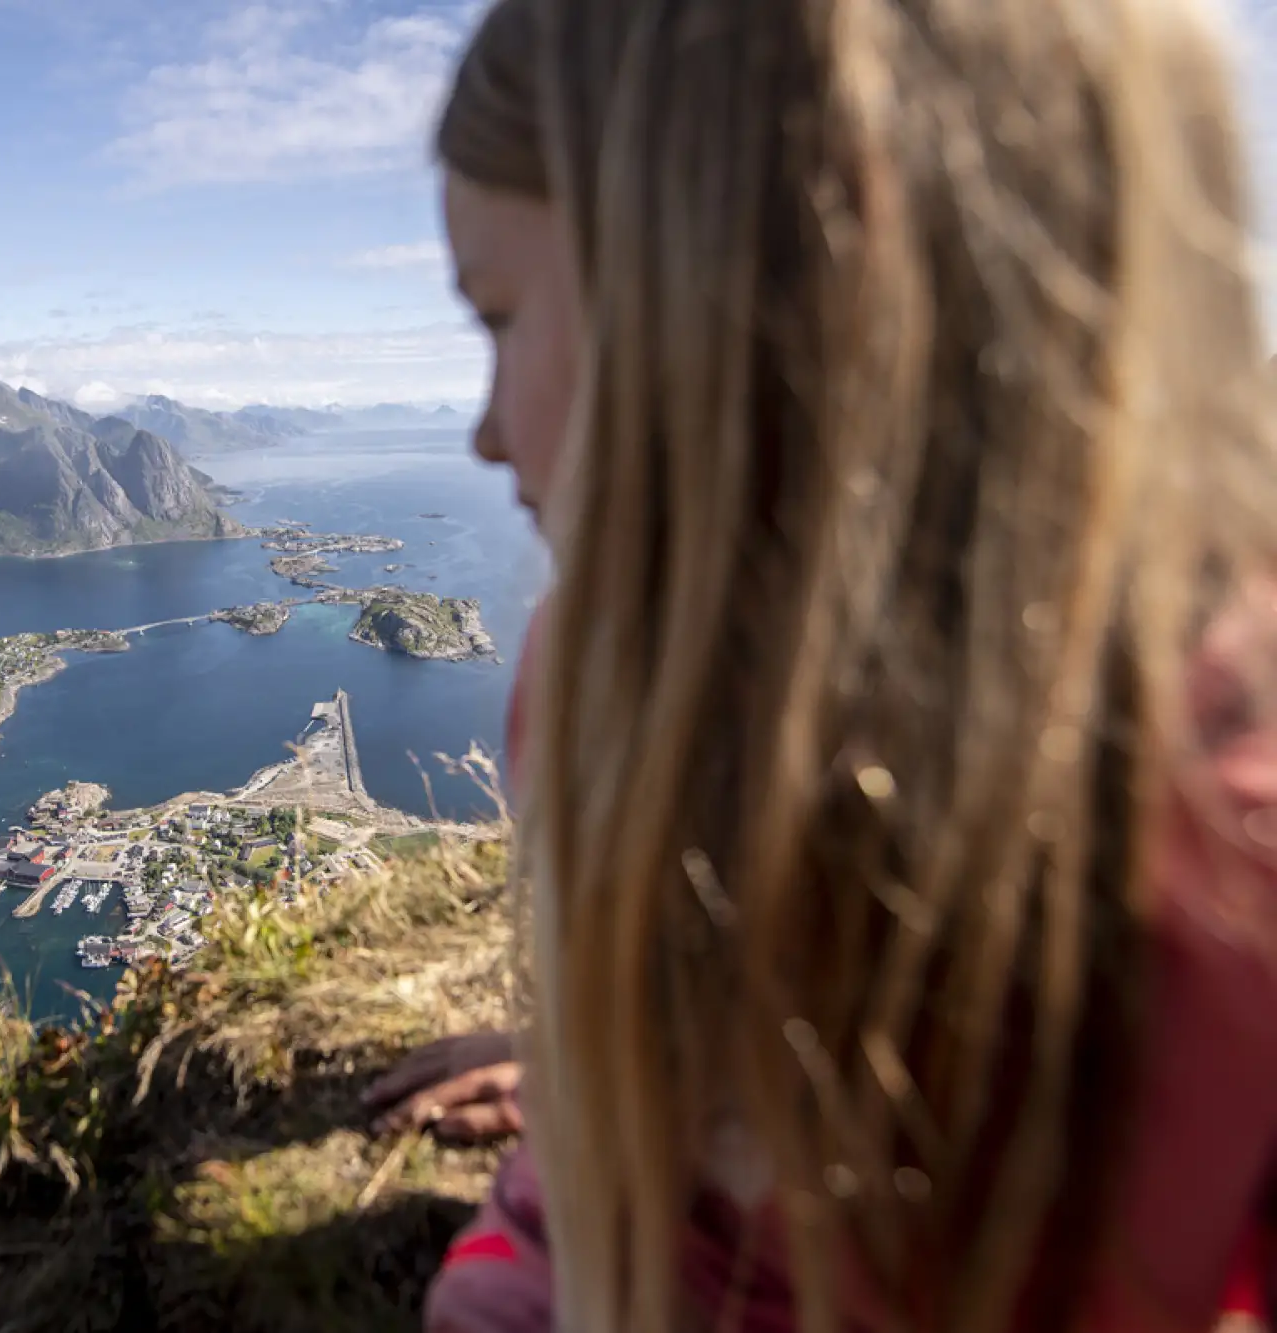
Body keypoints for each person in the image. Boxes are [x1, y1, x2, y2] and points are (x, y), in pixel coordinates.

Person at [393, 0, 1277, 1331]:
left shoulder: (1237, 875)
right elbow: (607, 1221)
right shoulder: (599, 698)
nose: (481, 430)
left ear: (744, 313)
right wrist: (604, 1075)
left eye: (503, 316)